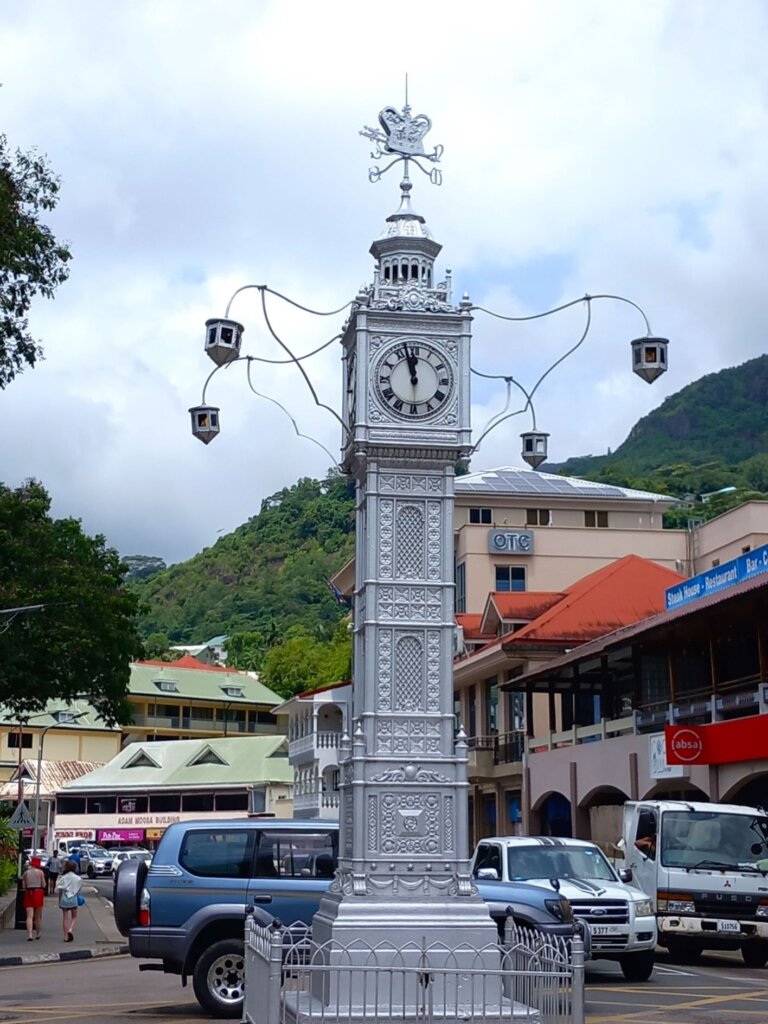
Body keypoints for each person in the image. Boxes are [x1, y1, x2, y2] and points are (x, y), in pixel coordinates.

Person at [54, 860, 83, 942]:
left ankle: (65, 936)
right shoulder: (78, 879)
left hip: (64, 899)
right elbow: (78, 890)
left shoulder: (63, 878)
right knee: (74, 916)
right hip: (73, 898)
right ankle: (70, 929)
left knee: (65, 918)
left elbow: (57, 889)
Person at [21, 855, 46, 941]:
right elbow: (44, 885)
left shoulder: (26, 873)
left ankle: (30, 934)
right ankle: (38, 933)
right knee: (37, 916)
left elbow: (24, 886)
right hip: (38, 893)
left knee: (29, 916)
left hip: (29, 893)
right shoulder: (40, 872)